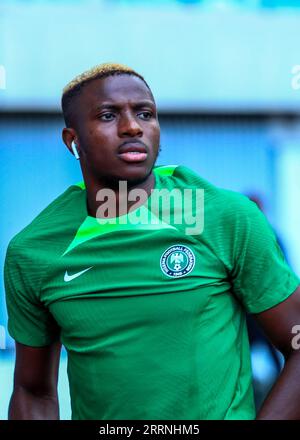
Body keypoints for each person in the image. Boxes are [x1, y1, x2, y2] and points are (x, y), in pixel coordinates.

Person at [4, 62, 300, 420]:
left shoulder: (224, 217)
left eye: (145, 113)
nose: (132, 127)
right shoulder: (33, 252)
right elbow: (31, 391)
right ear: (73, 140)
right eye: (108, 115)